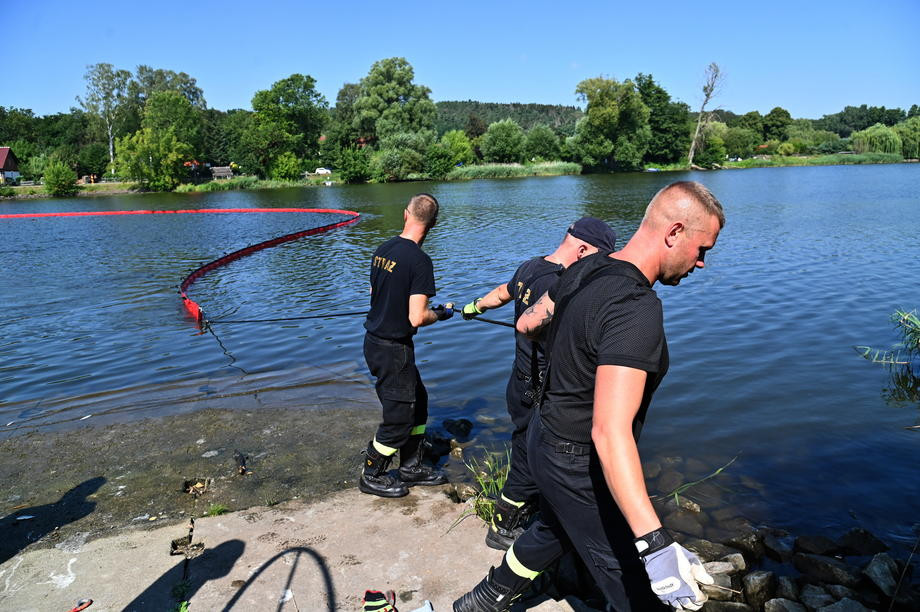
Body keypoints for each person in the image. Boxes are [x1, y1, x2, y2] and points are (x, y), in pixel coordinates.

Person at [453, 181, 725, 612]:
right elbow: (609, 430)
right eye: (703, 248)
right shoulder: (636, 308)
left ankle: (485, 599)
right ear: (674, 232)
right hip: (576, 458)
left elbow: (527, 324)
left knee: (556, 526)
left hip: (541, 434)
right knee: (635, 583)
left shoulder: (584, 269)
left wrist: (577, 340)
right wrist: (655, 545)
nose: (702, 263)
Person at [460, 217, 618, 551]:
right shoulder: (563, 284)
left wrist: (473, 308)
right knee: (529, 455)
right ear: (583, 249)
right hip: (538, 387)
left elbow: (501, 294)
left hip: (518, 380)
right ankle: (504, 524)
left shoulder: (530, 266)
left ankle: (527, 508)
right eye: (597, 259)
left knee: (525, 446)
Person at [360, 193, 453, 499]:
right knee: (399, 416)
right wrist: (440, 313)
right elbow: (417, 316)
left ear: (405, 214)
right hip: (392, 348)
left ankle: (411, 466)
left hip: (375, 341)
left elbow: (376, 291)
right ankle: (371, 473)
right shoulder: (420, 261)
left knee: (419, 402)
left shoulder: (384, 248)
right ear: (433, 224)